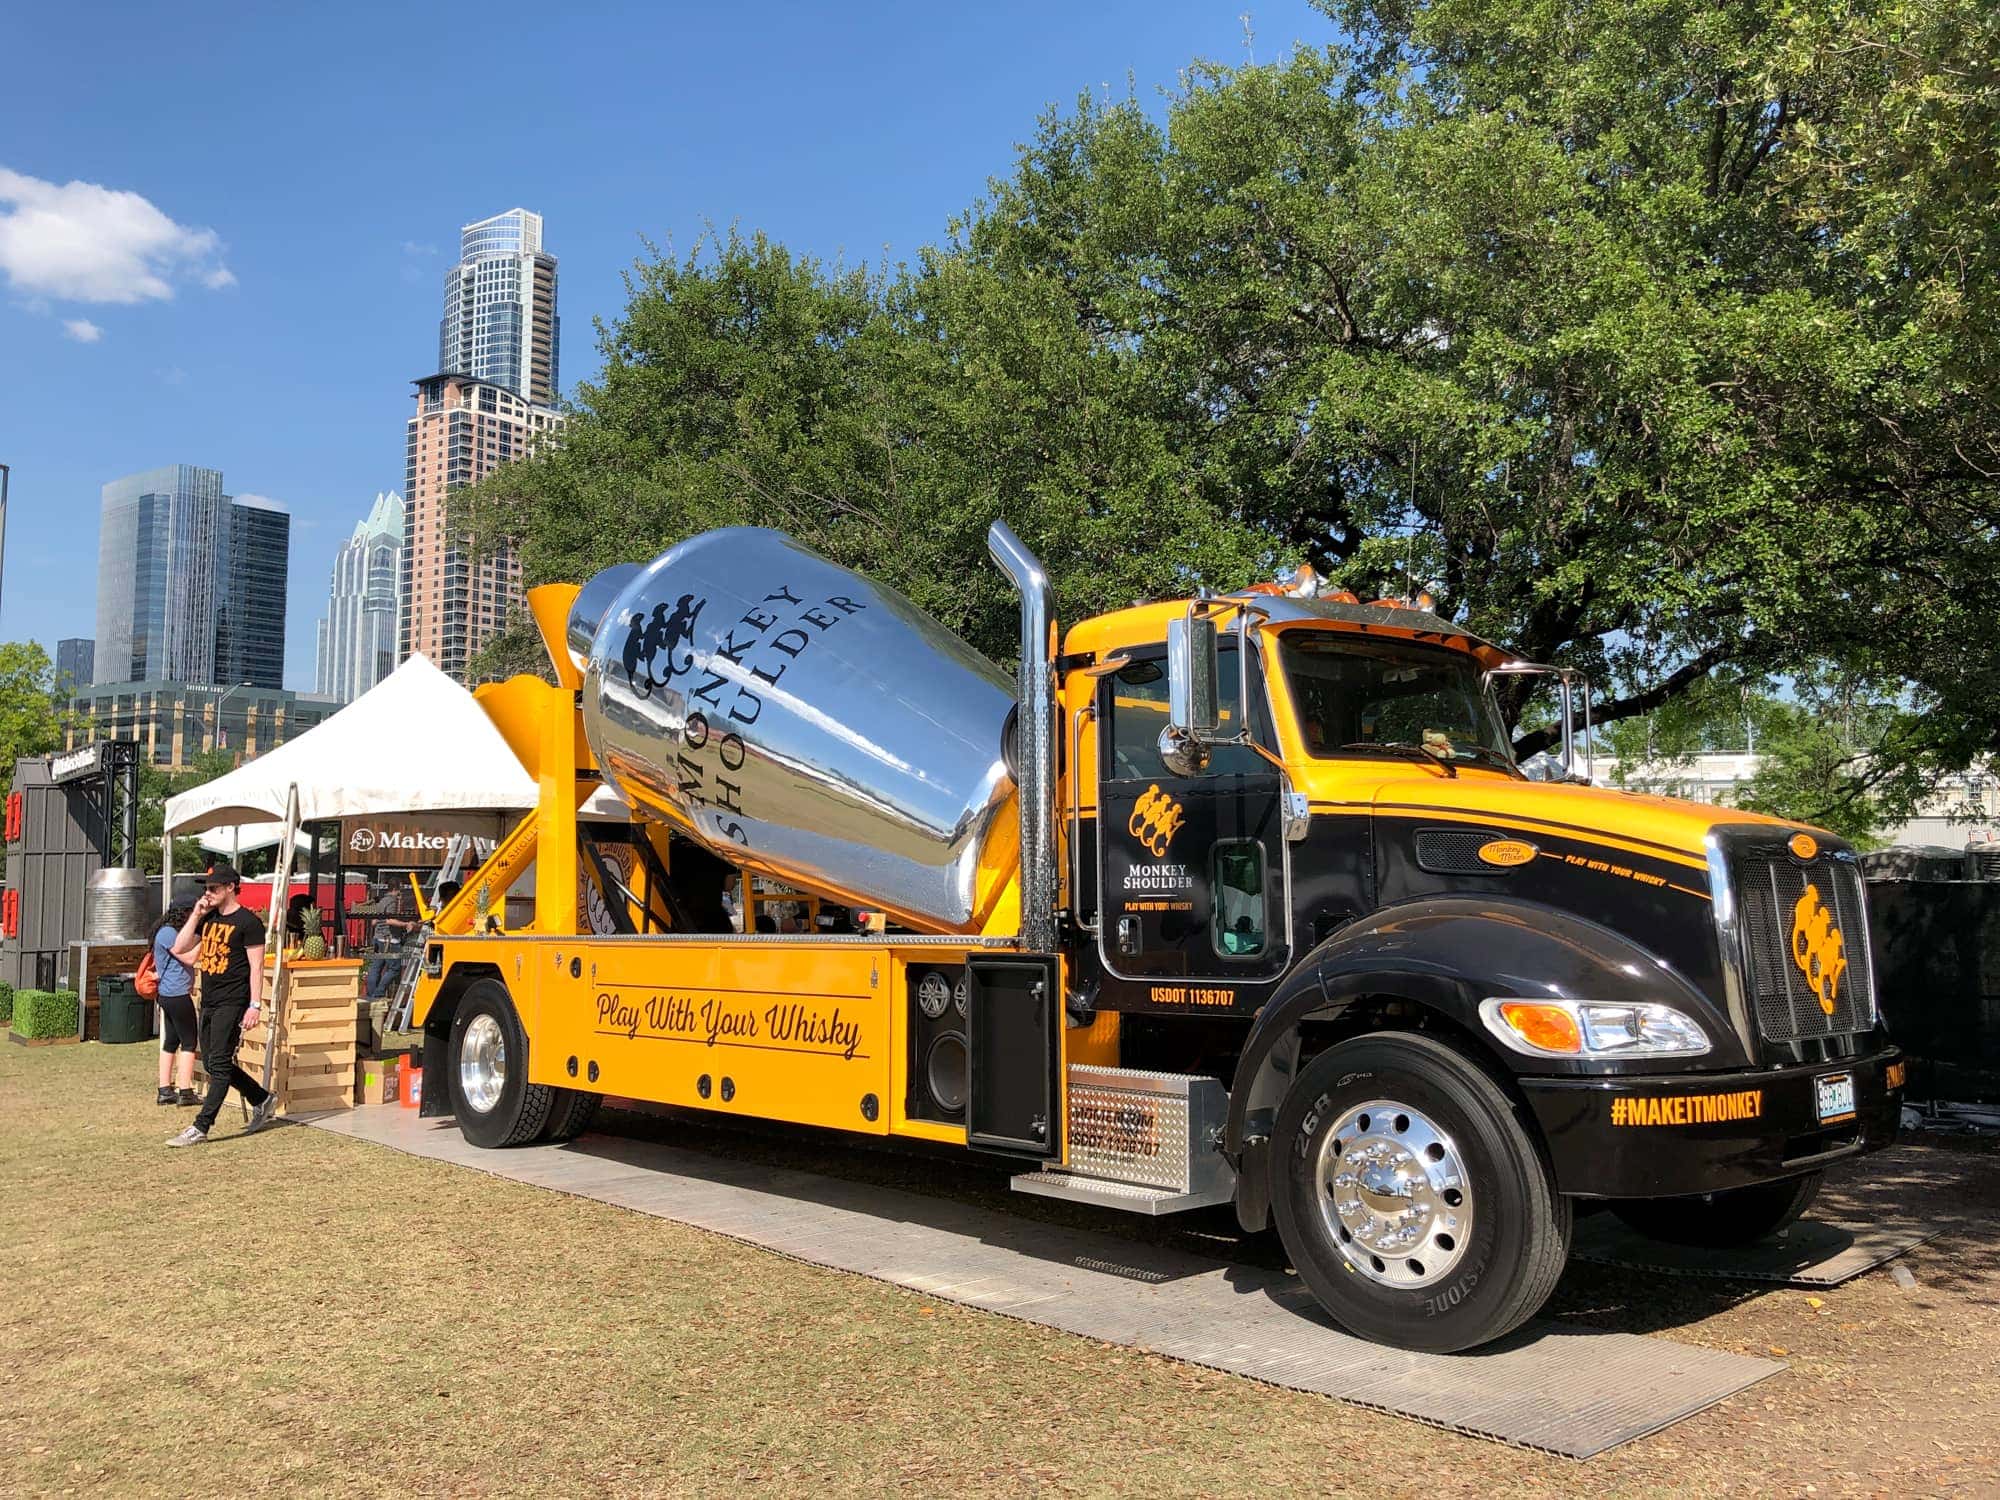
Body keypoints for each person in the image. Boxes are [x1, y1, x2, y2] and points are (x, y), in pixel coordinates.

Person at [165, 862, 276, 1147]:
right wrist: (196, 914)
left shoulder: (249, 923)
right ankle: (262, 1099)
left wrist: (254, 1005)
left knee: (221, 1064)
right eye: (206, 889)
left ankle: (201, 1126)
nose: (209, 893)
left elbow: (256, 967)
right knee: (216, 1064)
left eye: (214, 888)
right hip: (209, 1000)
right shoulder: (209, 918)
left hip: (233, 1001)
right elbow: (179, 948)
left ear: (230, 888)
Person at [151, 903, 200, 1106]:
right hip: (177, 994)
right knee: (189, 1041)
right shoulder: (169, 934)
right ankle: (185, 1090)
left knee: (171, 1041)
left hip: (167, 994)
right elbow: (188, 957)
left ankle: (165, 1089)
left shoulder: (165, 932)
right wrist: (203, 942)